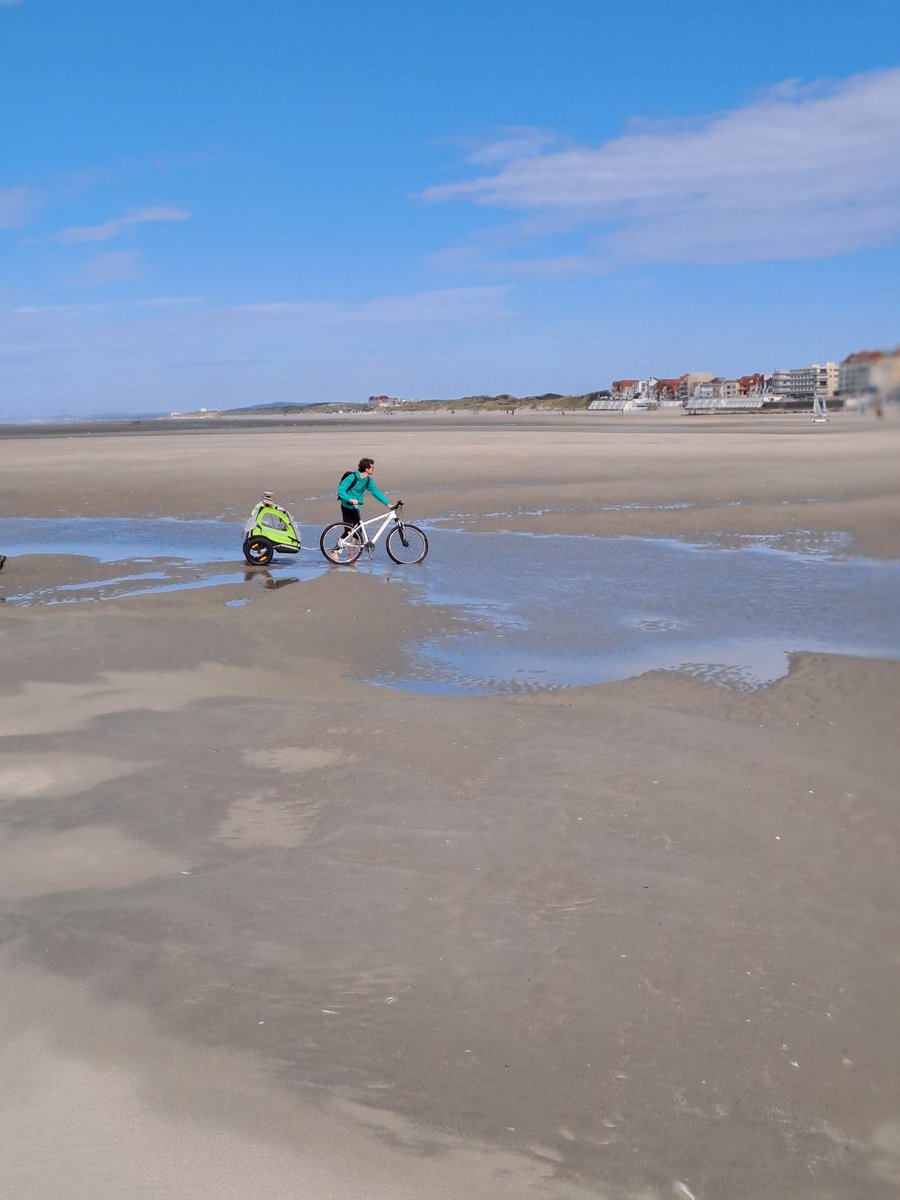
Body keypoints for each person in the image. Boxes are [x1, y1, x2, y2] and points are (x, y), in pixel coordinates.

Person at [337, 458, 392, 539]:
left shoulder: (368, 480)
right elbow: (341, 490)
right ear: (366, 469)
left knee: (358, 531)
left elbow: (376, 492)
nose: (373, 469)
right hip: (346, 506)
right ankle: (336, 549)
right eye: (372, 468)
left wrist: (388, 504)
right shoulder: (352, 477)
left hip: (356, 507)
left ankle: (352, 551)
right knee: (348, 531)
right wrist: (350, 499)